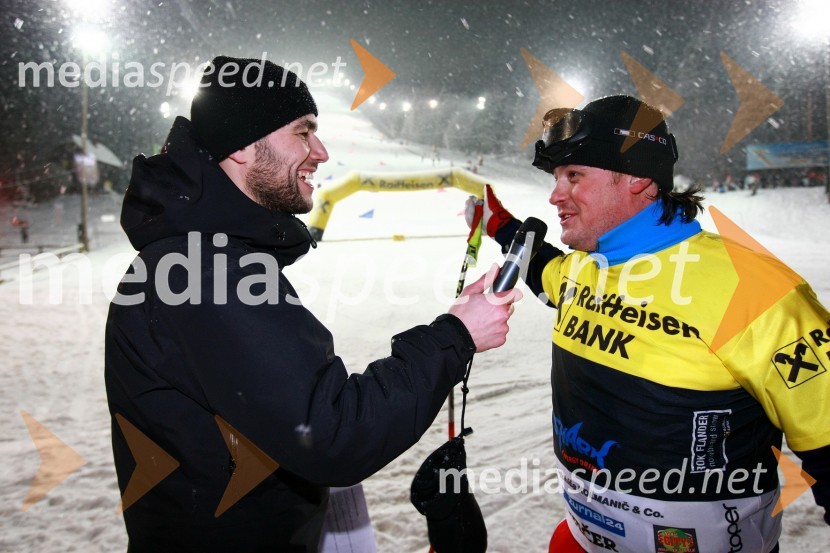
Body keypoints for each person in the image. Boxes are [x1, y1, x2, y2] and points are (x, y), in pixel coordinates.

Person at [104, 56, 521, 552]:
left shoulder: (207, 255)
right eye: (303, 132)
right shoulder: (205, 269)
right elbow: (330, 431)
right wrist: (456, 336)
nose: (320, 151)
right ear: (241, 146)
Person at [466, 95, 829, 552]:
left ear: (638, 177)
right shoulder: (583, 268)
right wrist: (497, 224)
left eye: (573, 176)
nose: (556, 194)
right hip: (583, 538)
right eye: (557, 178)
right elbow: (539, 265)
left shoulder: (753, 288)